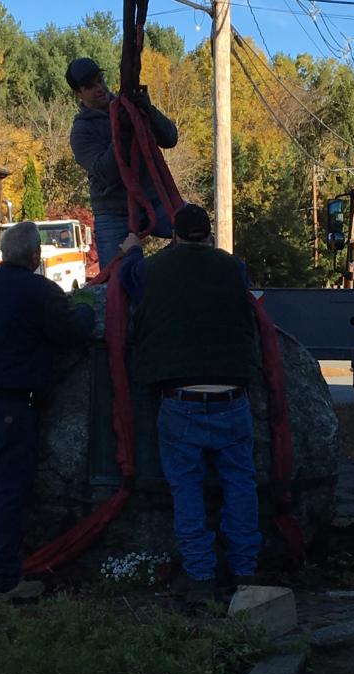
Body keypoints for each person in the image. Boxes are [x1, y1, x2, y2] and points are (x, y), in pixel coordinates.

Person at [119, 204, 261, 602]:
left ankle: (200, 576)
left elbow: (130, 279)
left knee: (186, 489)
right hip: (232, 396)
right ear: (210, 234)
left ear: (176, 236)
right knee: (240, 483)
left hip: (179, 398)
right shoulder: (233, 268)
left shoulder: (153, 270)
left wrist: (132, 248)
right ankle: (246, 571)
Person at [0, 221, 95, 600]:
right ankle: (2, 578)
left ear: (1, 253)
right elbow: (70, 331)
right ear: (36, 257)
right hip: (11, 406)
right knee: (6, 490)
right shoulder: (40, 291)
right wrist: (85, 309)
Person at [67, 56, 179, 269]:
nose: (99, 88)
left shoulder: (128, 105)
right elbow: (106, 172)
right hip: (114, 210)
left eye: (100, 80)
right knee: (114, 280)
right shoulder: (81, 132)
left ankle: (161, 275)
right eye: (90, 86)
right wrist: (123, 132)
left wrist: (149, 111)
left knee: (196, 233)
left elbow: (170, 138)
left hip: (153, 200)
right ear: (78, 94)